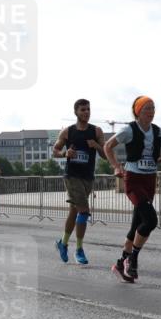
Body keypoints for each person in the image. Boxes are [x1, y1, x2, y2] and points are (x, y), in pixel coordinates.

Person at [104, 96, 161, 282]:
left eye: (153, 108)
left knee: (136, 227)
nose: (151, 112)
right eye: (147, 108)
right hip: (134, 179)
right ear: (138, 111)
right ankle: (133, 259)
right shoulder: (128, 130)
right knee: (151, 220)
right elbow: (107, 146)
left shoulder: (159, 132)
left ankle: (120, 264)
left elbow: (154, 160)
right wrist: (116, 167)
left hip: (149, 180)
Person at [52, 98, 106, 265]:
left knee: (74, 212)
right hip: (72, 176)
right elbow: (55, 151)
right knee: (83, 211)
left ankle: (63, 243)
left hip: (88, 177)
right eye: (83, 109)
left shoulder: (96, 131)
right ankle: (79, 249)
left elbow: (105, 154)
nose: (86, 112)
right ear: (75, 112)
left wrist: (96, 146)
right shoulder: (67, 132)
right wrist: (65, 153)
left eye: (88, 109)